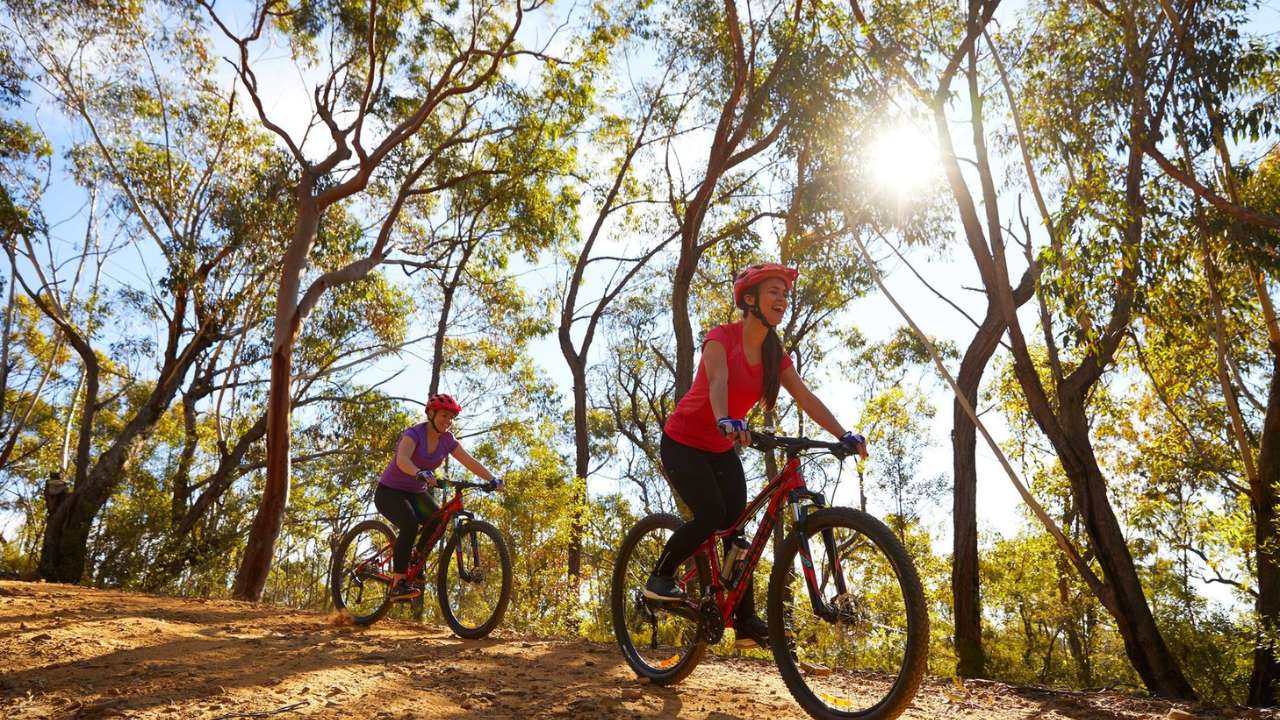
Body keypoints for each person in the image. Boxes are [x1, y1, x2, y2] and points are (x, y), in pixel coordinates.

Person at [644, 262, 869, 649]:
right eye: (773, 292)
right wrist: (725, 419)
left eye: (785, 294)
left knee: (736, 531)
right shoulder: (721, 338)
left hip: (720, 448)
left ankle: (744, 621)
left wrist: (843, 434)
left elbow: (804, 395)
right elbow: (718, 381)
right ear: (749, 300)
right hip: (682, 442)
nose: (783, 299)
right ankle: (660, 576)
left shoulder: (773, 354)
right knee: (711, 515)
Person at [376, 393, 503, 600]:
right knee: (409, 524)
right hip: (389, 491)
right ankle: (398, 582)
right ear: (431, 414)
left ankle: (415, 559)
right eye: (444, 415)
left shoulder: (447, 440)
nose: (448, 421)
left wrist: (492, 478)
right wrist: (418, 472)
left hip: (415, 493)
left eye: (451, 417)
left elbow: (469, 461)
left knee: (437, 521)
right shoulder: (414, 434)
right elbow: (402, 459)